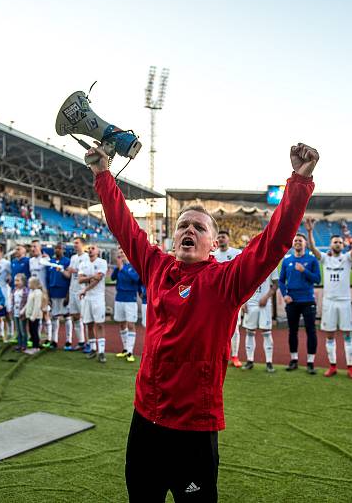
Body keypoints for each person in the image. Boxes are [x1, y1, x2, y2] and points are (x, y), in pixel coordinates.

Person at [88, 141, 317, 501]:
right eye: (182, 226)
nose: (188, 230)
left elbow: (273, 243)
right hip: (145, 418)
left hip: (193, 427)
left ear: (214, 243)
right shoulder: (157, 267)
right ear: (173, 236)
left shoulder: (226, 281)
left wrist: (299, 182)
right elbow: (124, 227)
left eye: (198, 227)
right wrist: (102, 174)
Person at [305, 215, 352, 379]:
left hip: (344, 302)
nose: (337, 244)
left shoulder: (347, 259)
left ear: (343, 244)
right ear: (331, 244)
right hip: (329, 302)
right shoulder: (325, 259)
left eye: (340, 242)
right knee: (330, 335)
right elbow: (313, 247)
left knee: (347, 335)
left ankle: (350, 367)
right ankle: (332, 366)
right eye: (335, 242)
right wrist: (309, 232)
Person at [279, 233, 321, 374]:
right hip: (292, 301)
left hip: (308, 300)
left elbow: (317, 279)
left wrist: (304, 271)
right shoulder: (287, 261)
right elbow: (281, 281)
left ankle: (310, 362)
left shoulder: (312, 260)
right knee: (293, 331)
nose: (297, 242)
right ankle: (294, 360)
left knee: (311, 331)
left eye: (300, 240)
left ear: (305, 243)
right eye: (295, 240)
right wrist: (285, 295)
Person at [212, 230, 244, 368]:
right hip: (215, 298)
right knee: (214, 328)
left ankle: (235, 356)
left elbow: (242, 274)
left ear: (228, 239)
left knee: (235, 327)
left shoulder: (237, 253)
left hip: (232, 297)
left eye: (223, 237)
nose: (221, 239)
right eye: (218, 237)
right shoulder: (212, 255)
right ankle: (217, 355)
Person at [241, 266, 279, 373]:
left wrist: (266, 297)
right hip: (250, 303)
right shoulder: (248, 262)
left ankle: (269, 363)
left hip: (264, 304)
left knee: (266, 332)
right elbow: (242, 284)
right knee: (249, 332)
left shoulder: (272, 263)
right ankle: (249, 361)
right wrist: (243, 302)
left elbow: (276, 284)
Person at [78, 243, 108, 362]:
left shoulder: (102, 262)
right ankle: (93, 349)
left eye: (93, 248)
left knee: (99, 324)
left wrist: (85, 288)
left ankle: (101, 351)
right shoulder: (83, 263)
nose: (90, 250)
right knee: (88, 324)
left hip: (98, 297)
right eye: (89, 249)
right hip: (87, 298)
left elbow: (98, 278)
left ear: (98, 251)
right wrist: (92, 277)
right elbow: (80, 279)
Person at [112, 246, 141, 362]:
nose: (121, 255)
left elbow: (135, 279)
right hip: (119, 298)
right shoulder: (119, 267)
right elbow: (113, 277)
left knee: (131, 325)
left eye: (123, 253)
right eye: (119, 253)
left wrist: (122, 268)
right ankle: (124, 349)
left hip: (130, 299)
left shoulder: (133, 266)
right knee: (121, 324)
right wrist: (118, 268)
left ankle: (130, 351)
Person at [46, 242, 71, 349]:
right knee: (54, 317)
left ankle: (68, 340)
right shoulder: (50, 262)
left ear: (64, 250)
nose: (57, 250)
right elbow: (47, 279)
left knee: (66, 316)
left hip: (63, 292)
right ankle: (54, 340)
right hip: (53, 292)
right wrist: (47, 295)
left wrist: (68, 295)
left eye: (60, 248)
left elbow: (70, 279)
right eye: (56, 248)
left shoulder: (67, 262)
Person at [64, 237, 88, 351]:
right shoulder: (73, 257)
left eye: (77, 243)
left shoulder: (86, 257)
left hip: (81, 290)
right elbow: (69, 275)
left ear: (82, 245)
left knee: (85, 317)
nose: (75, 245)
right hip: (72, 289)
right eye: (74, 243)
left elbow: (88, 273)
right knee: (75, 316)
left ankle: (90, 342)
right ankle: (81, 341)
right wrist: (62, 270)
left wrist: (76, 271)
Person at [24, 276, 45, 355]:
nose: (28, 284)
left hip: (35, 317)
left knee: (34, 331)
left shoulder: (38, 293)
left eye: (29, 283)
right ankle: (34, 346)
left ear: (34, 284)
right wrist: (23, 311)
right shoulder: (31, 292)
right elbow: (28, 303)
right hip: (30, 316)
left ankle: (36, 347)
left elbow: (37, 306)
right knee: (31, 331)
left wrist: (34, 316)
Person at [11, 273, 30, 352]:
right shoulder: (15, 290)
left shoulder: (25, 291)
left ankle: (24, 345)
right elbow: (13, 301)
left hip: (22, 313)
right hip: (15, 312)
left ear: (23, 281)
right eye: (15, 280)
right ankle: (19, 344)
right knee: (18, 330)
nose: (16, 283)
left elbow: (27, 302)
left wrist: (23, 311)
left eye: (18, 281)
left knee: (23, 330)